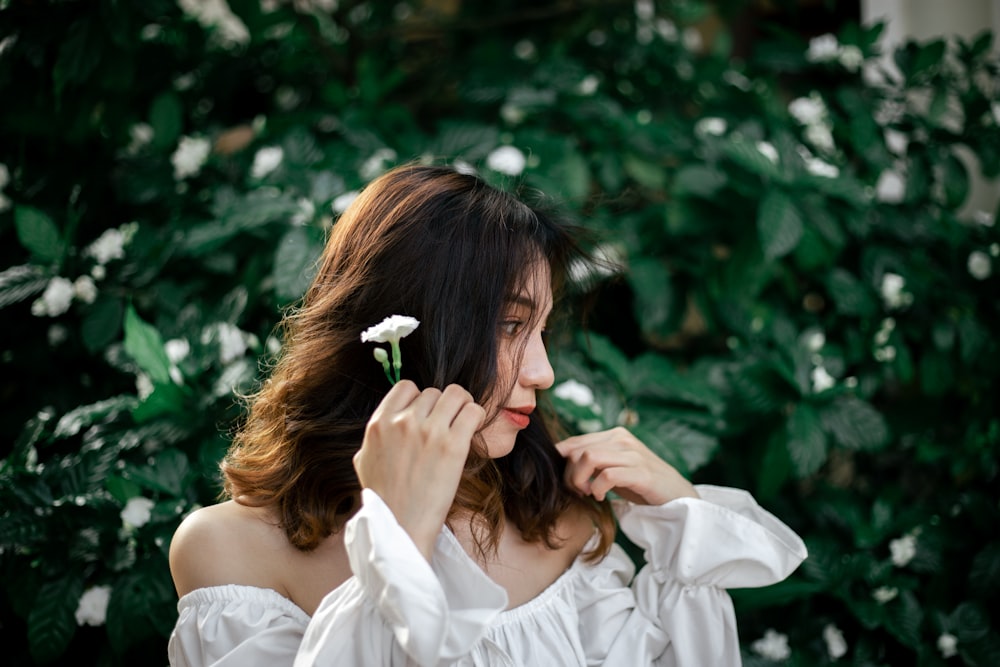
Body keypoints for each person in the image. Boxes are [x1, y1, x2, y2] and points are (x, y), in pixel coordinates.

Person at [167, 163, 807, 666]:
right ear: (404, 329)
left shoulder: (559, 518)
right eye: (509, 326)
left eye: (543, 330)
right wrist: (398, 537)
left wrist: (679, 519)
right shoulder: (230, 552)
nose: (544, 373)